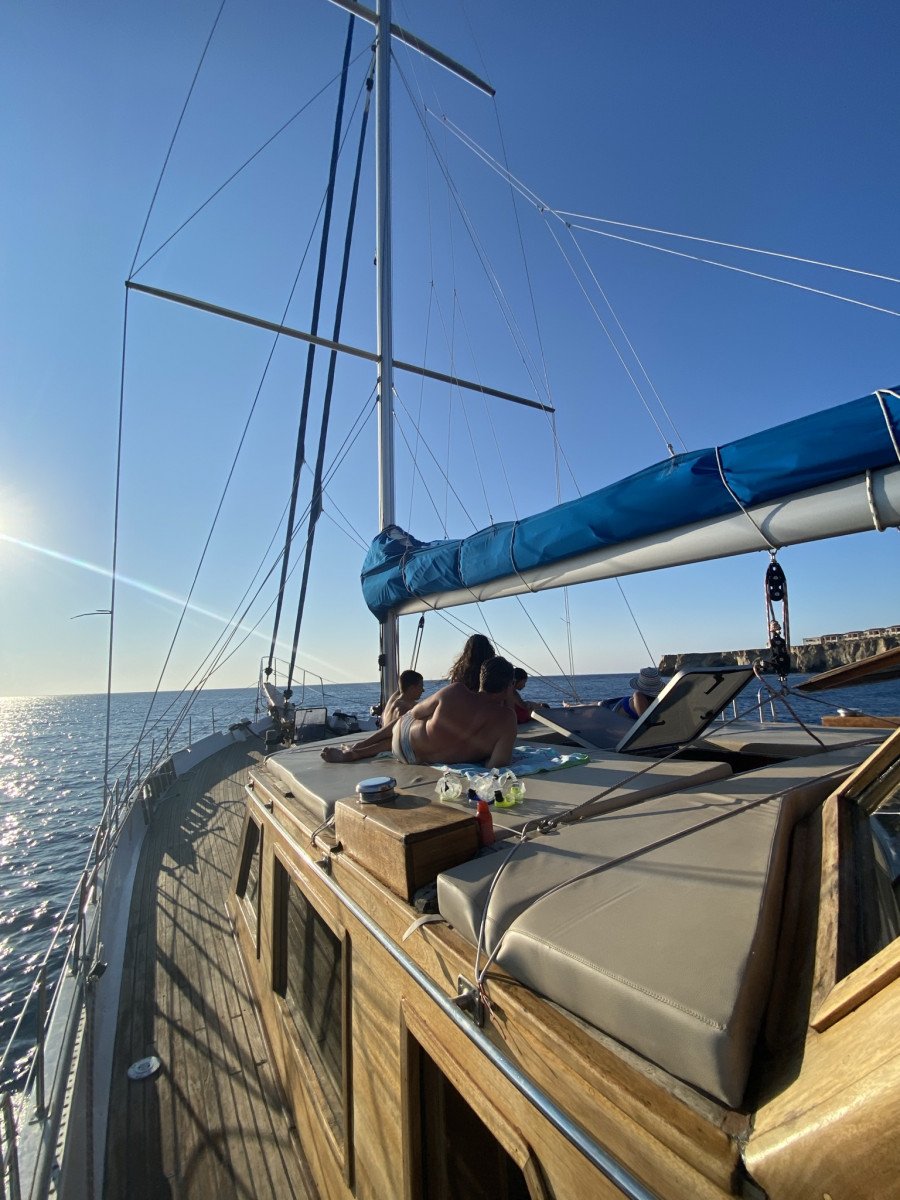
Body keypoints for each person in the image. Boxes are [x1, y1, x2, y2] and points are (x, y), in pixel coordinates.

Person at [321, 656, 518, 768]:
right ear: (509, 686)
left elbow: (416, 713)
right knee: (420, 730)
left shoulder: (455, 691)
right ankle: (360, 749)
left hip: (402, 741)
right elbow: (497, 764)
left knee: (407, 719)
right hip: (415, 759)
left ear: (482, 679)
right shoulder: (507, 720)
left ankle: (360, 747)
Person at [598, 666, 665, 721]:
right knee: (600, 705)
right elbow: (645, 720)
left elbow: (646, 720)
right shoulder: (639, 696)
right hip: (617, 706)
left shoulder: (640, 696)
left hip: (622, 703)